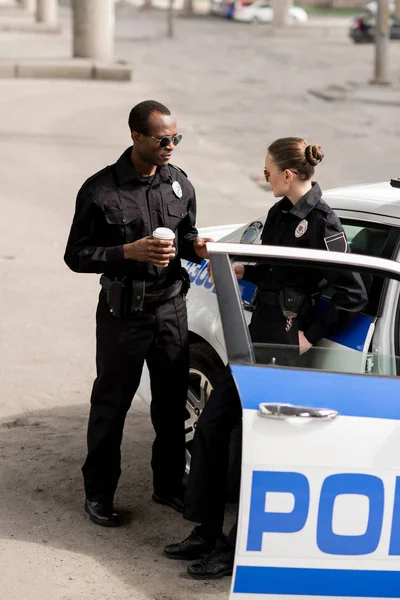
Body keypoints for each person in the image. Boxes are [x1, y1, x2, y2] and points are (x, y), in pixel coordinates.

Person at [163, 137, 368, 579]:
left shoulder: (323, 222)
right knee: (213, 429)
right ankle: (206, 531)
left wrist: (311, 335)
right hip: (256, 340)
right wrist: (246, 269)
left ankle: (237, 550)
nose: (265, 177)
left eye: (269, 171)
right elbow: (279, 268)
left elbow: (353, 292)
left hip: (287, 346)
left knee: (262, 449)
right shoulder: (279, 214)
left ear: (288, 175)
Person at [64, 100, 211, 527]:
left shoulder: (179, 185)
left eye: (176, 138)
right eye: (163, 139)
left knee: (170, 407)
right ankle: (98, 494)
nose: (171, 146)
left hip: (171, 310)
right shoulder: (100, 190)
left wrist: (196, 248)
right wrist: (126, 251)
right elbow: (76, 255)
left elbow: (186, 237)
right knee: (111, 405)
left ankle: (167, 486)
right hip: (122, 313)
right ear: (136, 137)